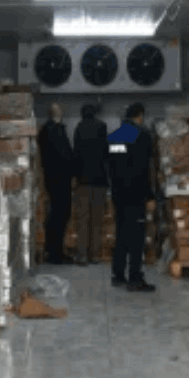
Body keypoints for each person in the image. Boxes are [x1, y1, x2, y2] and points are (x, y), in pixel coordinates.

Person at [107, 103, 156, 292]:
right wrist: (149, 195)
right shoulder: (141, 136)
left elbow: (113, 166)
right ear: (140, 116)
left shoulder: (115, 136)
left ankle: (118, 275)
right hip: (136, 194)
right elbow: (143, 169)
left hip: (119, 194)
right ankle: (135, 277)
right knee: (136, 237)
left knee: (121, 234)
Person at [72, 104, 109, 265]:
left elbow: (76, 155)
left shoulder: (79, 128)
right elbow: (106, 152)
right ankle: (94, 255)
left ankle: (82, 255)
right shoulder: (102, 127)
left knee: (82, 220)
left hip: (83, 182)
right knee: (96, 220)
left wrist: (74, 176)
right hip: (99, 181)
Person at [38, 103, 74, 264]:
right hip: (57, 179)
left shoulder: (56, 128)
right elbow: (61, 155)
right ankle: (54, 253)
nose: (61, 112)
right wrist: (72, 169)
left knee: (61, 215)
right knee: (58, 216)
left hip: (59, 179)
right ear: (53, 113)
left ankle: (57, 250)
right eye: (59, 110)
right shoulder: (51, 130)